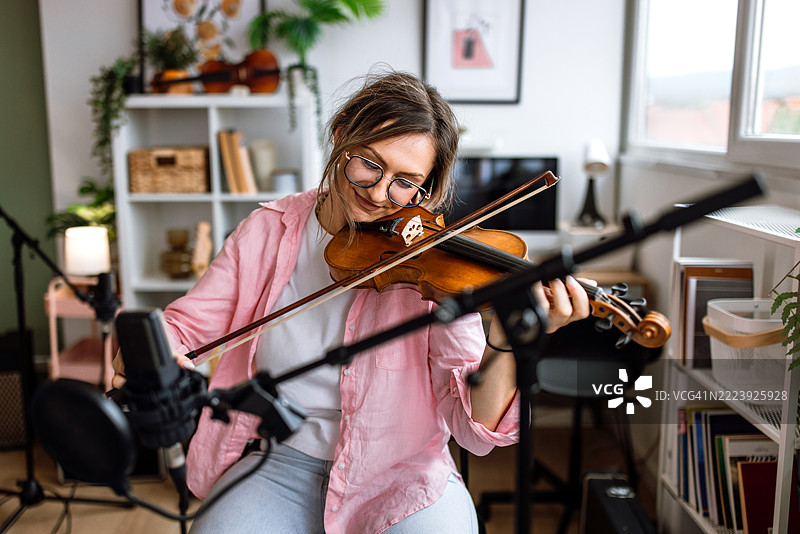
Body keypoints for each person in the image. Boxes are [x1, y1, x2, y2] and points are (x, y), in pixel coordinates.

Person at [113, 69, 591, 534]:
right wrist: (147, 352)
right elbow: (186, 325)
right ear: (341, 137)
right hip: (276, 460)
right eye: (370, 164)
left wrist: (507, 338)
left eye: (406, 182)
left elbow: (476, 427)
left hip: (400, 473)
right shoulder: (268, 230)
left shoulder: (433, 263)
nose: (381, 194)